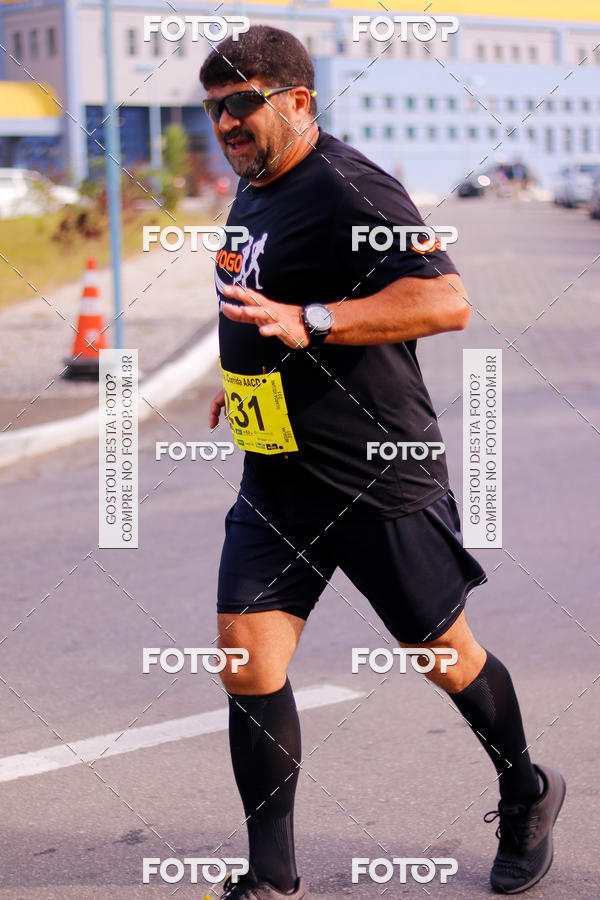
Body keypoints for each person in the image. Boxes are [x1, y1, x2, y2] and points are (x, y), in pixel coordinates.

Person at [199, 26, 565, 899]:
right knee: (247, 657)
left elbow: (444, 299)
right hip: (276, 475)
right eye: (213, 109)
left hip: (373, 475)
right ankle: (272, 879)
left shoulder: (348, 186)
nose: (226, 124)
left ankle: (527, 790)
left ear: (297, 100)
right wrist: (246, 374)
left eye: (241, 103)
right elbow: (267, 301)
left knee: (445, 655)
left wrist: (314, 322)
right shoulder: (254, 185)